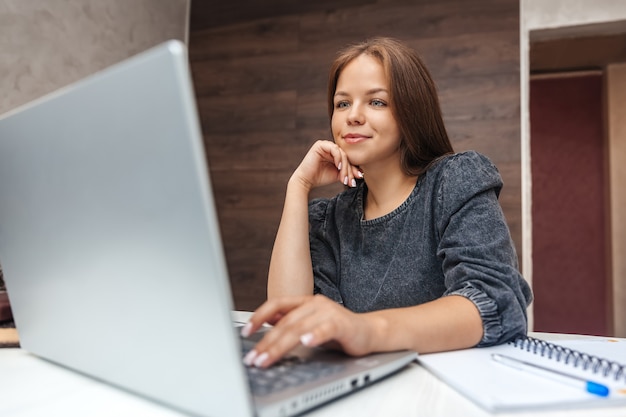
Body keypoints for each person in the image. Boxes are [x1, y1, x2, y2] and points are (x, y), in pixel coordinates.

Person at [240, 37, 533, 369]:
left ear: (411, 111)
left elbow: (495, 301)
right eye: (342, 104)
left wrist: (366, 330)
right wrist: (298, 186)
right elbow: (288, 317)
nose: (353, 116)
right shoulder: (327, 220)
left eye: (376, 102)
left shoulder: (454, 180)